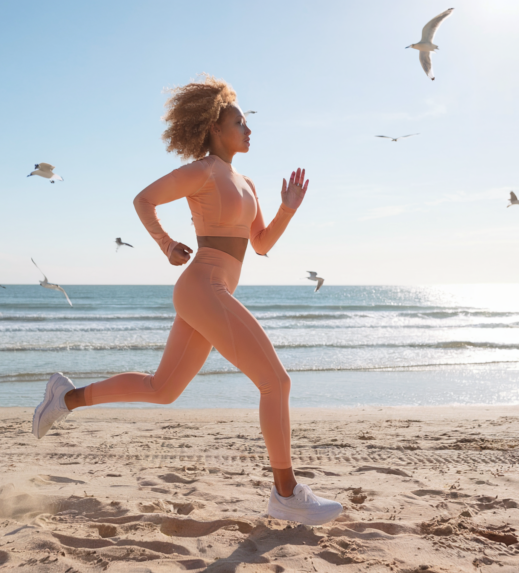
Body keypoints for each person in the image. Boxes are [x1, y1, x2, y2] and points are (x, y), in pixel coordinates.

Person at [32, 75, 342, 526]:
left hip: (212, 292)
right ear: (216, 127)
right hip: (203, 287)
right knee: (277, 382)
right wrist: (164, 243)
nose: (249, 129)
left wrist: (288, 208)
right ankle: (287, 492)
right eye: (240, 122)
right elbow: (144, 200)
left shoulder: (247, 182)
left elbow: (259, 243)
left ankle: (66, 397)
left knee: (163, 389)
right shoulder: (204, 170)